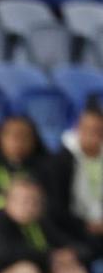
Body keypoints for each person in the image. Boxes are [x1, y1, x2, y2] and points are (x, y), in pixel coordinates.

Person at [47, 104, 103, 261]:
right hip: (75, 229)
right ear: (78, 129)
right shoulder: (61, 161)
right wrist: (87, 225)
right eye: (87, 129)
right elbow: (56, 209)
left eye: (98, 130)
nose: (93, 135)